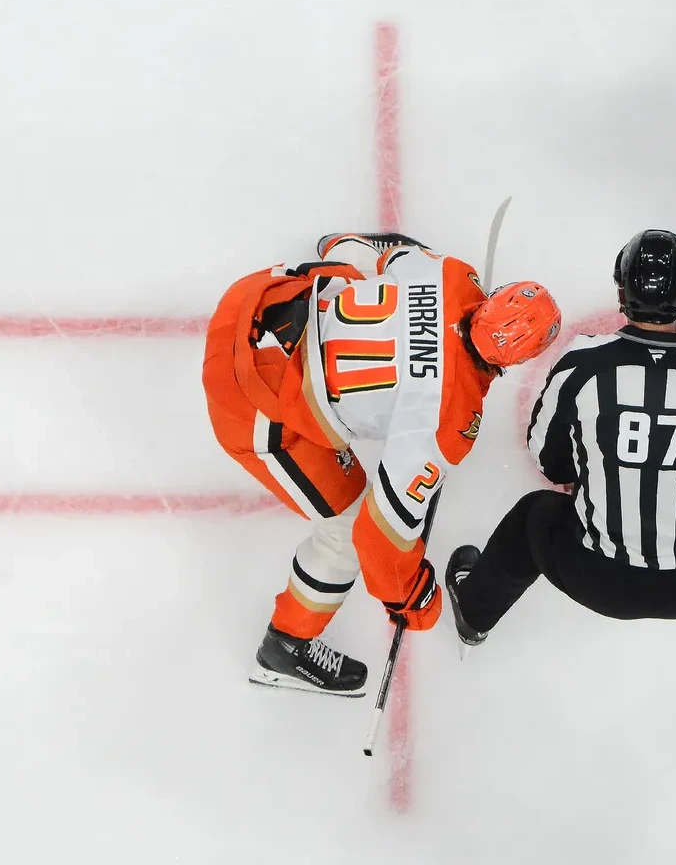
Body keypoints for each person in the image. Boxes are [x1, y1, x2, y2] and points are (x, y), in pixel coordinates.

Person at [200, 232, 561, 695]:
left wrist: (339, 245)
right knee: (344, 533)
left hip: (256, 299)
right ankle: (284, 647)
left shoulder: (451, 273)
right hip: (246, 395)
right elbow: (379, 539)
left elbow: (379, 252)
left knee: (359, 273)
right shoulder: (448, 421)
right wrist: (413, 597)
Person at [442, 229, 676, 645]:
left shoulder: (580, 365)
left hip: (595, 578)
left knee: (533, 515)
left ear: (621, 289)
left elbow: (550, 461)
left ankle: (474, 614)